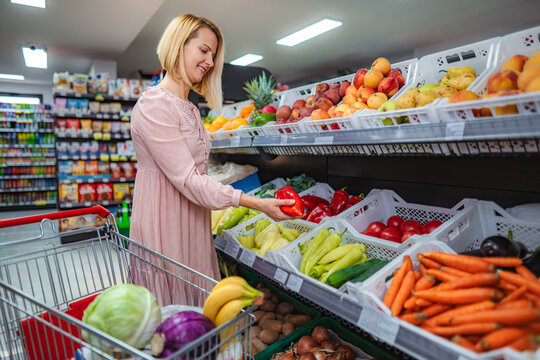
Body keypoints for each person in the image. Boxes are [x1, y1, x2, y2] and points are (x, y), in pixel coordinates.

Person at [129, 14, 296, 285]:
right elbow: (188, 180)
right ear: (178, 45)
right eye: (204, 50)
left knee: (196, 298)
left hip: (193, 216)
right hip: (166, 220)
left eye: (213, 55)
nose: (210, 62)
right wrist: (256, 203)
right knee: (173, 307)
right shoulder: (154, 105)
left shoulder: (192, 109)